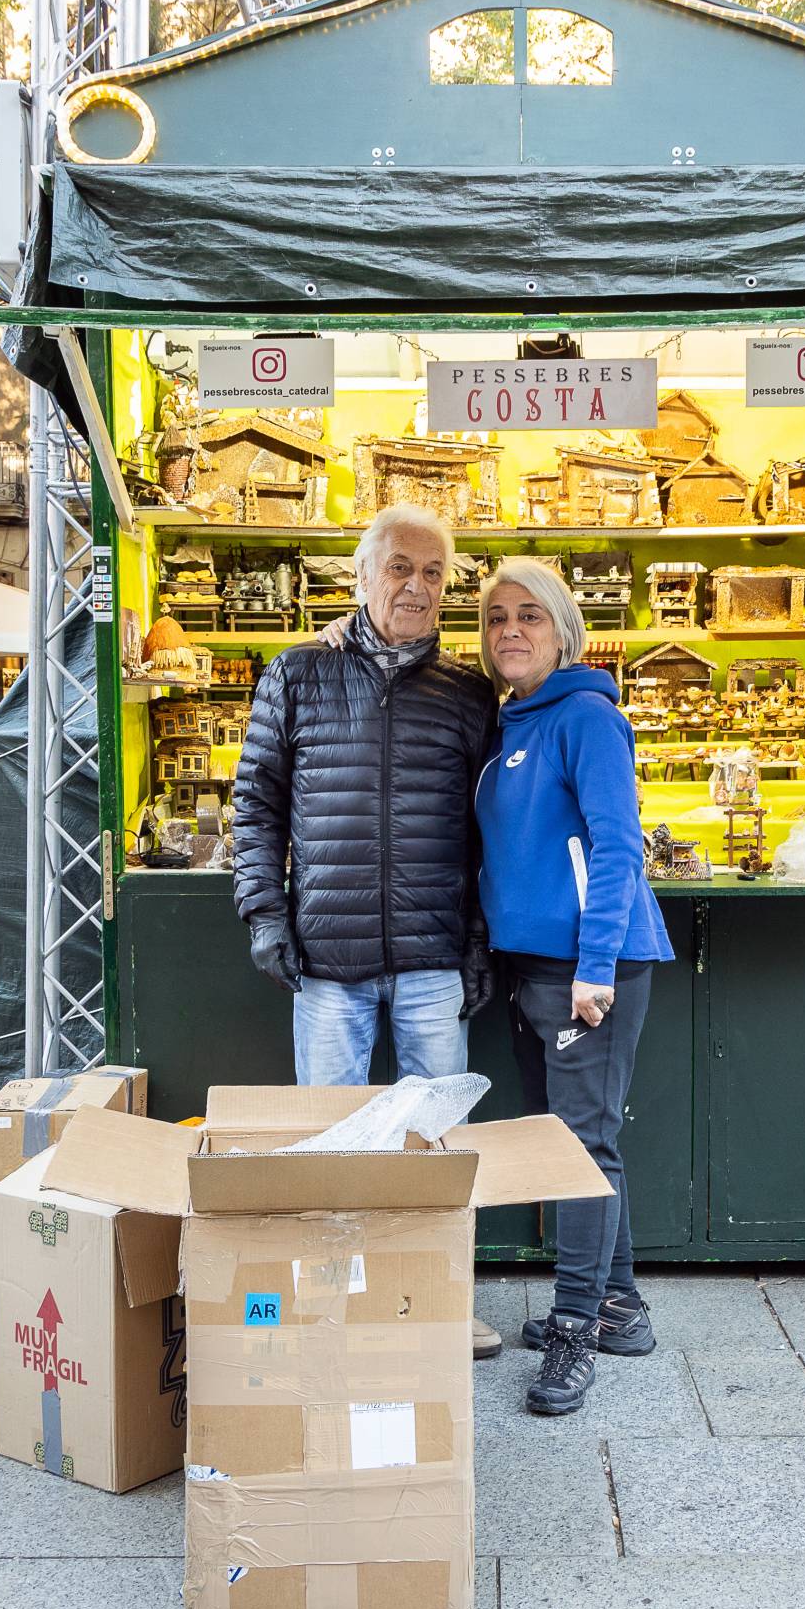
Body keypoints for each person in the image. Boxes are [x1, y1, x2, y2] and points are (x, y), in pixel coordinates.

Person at [232, 504, 502, 1356]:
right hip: (329, 964)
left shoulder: (467, 694)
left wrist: (476, 945)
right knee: (333, 1145)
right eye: (399, 567)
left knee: (434, 1149)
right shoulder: (296, 675)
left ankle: (441, 1304)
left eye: (432, 573)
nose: (416, 587)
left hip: (430, 965)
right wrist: (264, 913)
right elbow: (257, 806)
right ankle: (331, 1306)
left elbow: (483, 832)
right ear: (362, 574)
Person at [474, 557, 673, 1415]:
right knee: (577, 1142)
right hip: (534, 967)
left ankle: (575, 1327)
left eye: (531, 616)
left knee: (581, 1149)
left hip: (589, 967)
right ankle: (619, 1306)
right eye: (495, 618)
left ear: (564, 630)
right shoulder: (512, 720)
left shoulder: (587, 716)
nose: (511, 630)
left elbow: (618, 845)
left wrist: (595, 967)